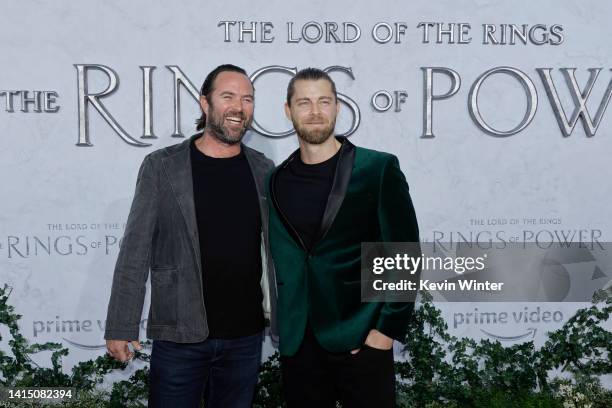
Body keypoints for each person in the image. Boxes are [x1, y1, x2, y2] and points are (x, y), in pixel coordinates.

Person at [104, 64, 277, 408]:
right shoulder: (162, 166)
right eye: (228, 96)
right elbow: (135, 250)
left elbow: (277, 254)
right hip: (180, 334)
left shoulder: (262, 169)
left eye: (247, 99)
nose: (239, 107)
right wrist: (121, 325)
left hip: (245, 337)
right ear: (205, 103)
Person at [268, 68, 420, 408]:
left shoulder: (376, 169)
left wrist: (382, 334)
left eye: (324, 101)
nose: (315, 111)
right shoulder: (276, 181)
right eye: (304, 102)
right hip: (299, 346)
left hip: (361, 340)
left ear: (338, 107)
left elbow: (404, 255)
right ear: (287, 110)